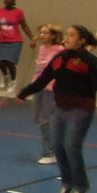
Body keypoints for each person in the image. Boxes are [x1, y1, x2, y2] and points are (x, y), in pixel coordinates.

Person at [16, 25, 97, 193]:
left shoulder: (88, 61)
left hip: (81, 109)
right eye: (67, 34)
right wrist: (23, 93)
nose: (67, 37)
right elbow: (44, 78)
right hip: (61, 108)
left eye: (72, 35)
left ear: (82, 40)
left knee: (71, 145)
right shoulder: (60, 58)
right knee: (58, 146)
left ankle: (81, 186)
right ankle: (67, 183)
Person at [28, 23, 65, 164]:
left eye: (45, 33)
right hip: (38, 87)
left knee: (46, 121)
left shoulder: (60, 50)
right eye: (41, 33)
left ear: (53, 36)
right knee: (39, 119)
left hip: (51, 89)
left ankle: (50, 153)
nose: (42, 35)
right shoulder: (42, 48)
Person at [0, 0, 31, 93]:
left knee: (10, 62)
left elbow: (24, 26)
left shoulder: (18, 12)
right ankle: (5, 76)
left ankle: (13, 81)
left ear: (13, 1)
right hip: (3, 40)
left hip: (15, 41)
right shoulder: (0, 11)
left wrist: (32, 38)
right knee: (1, 62)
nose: (6, 0)